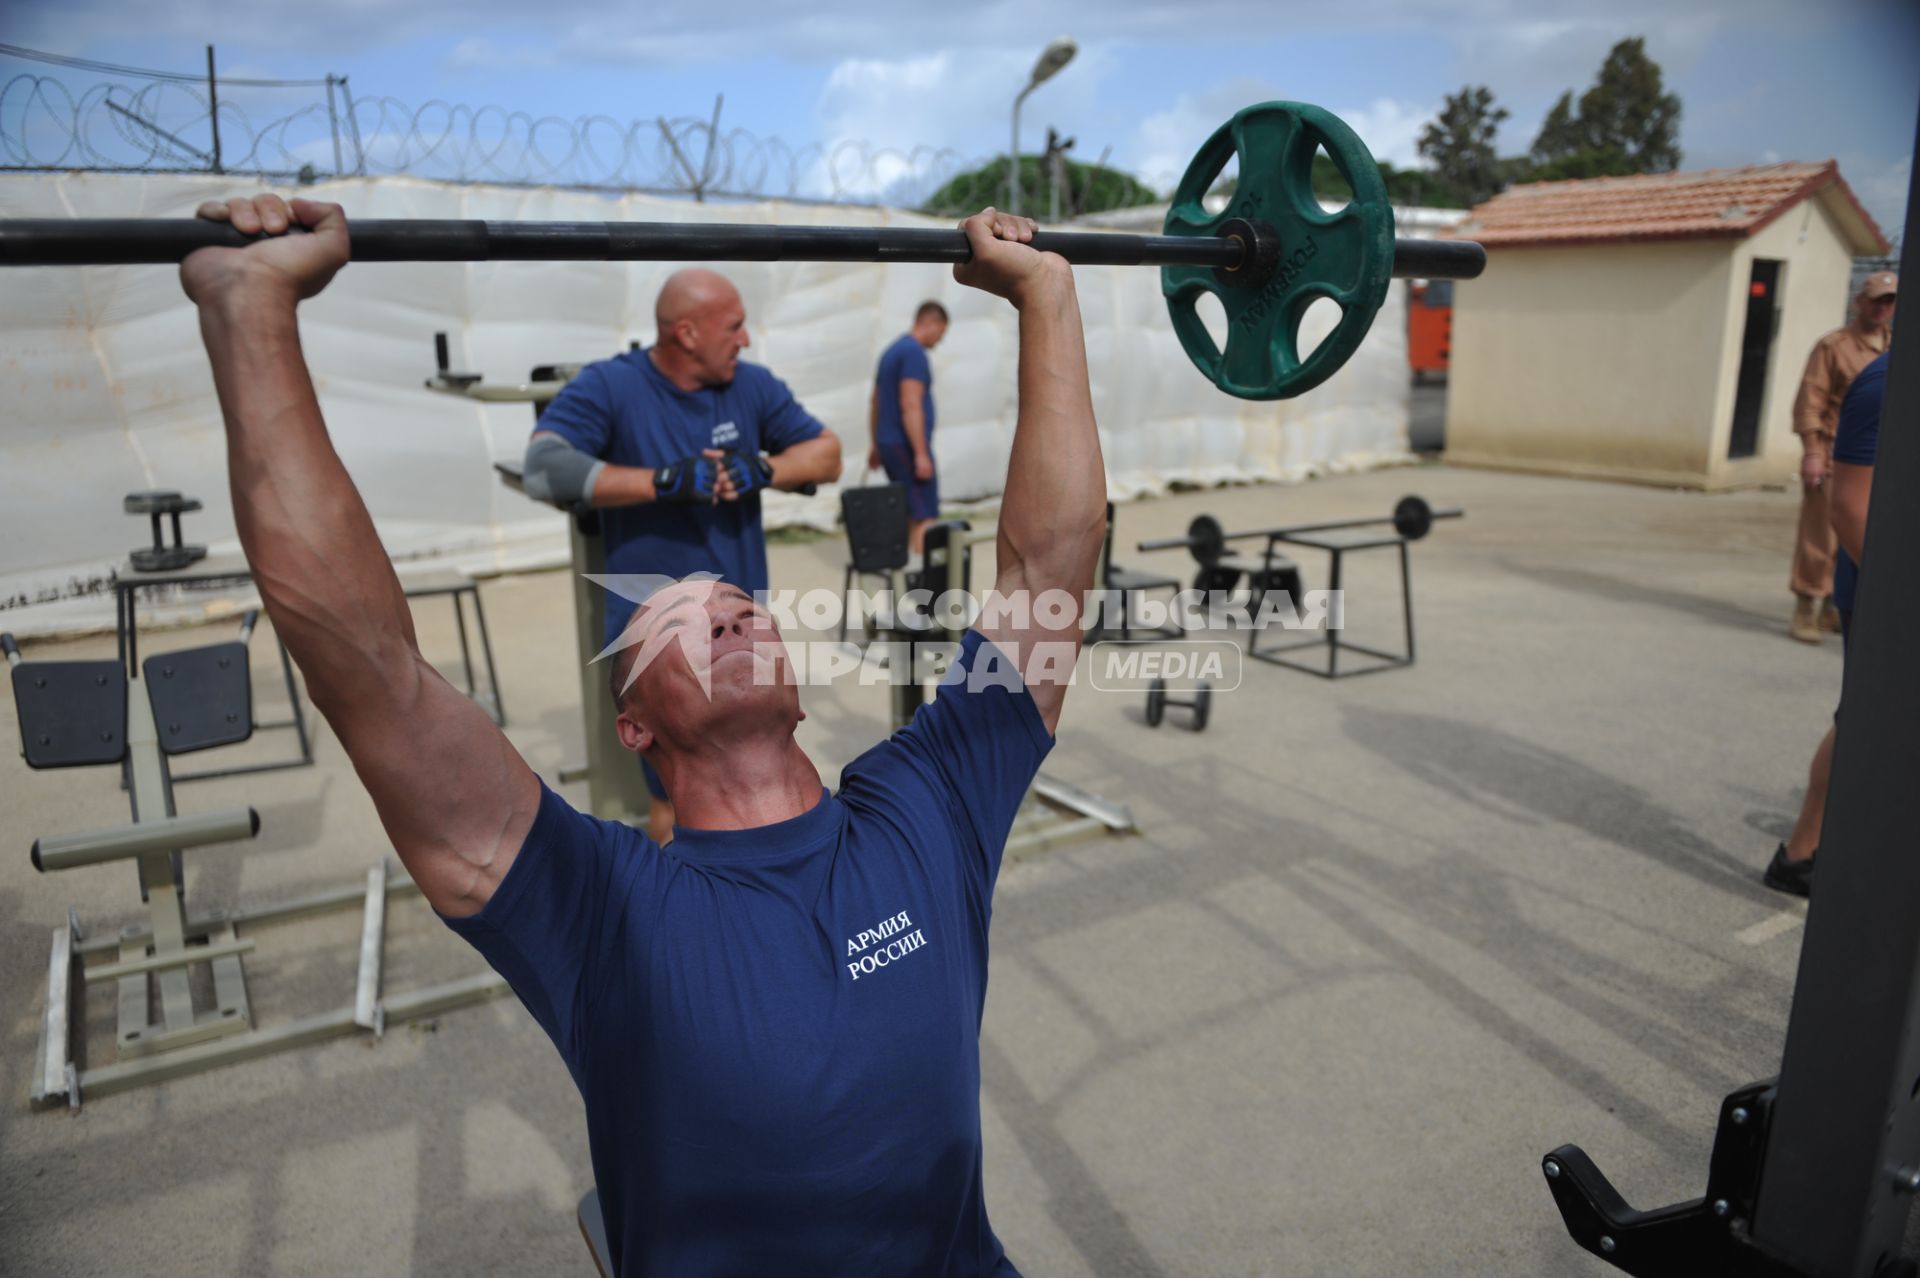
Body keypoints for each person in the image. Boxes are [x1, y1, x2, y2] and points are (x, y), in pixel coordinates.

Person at [180, 196, 1104, 1276]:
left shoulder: (926, 809)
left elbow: (1047, 572)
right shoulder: (602, 906)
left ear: (795, 687)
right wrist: (253, 316)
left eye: (742, 608)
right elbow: (371, 673)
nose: (726, 605)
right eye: (677, 616)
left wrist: (1049, 294)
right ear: (634, 725)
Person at [520, 267, 844, 842]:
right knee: (679, 802)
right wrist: (663, 481)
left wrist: (765, 469)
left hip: (742, 635)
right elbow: (544, 468)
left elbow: (826, 454)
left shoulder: (751, 386)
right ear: (688, 333)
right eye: (735, 327)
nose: (745, 340)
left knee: (764, 784)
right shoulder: (611, 386)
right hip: (661, 646)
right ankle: (675, 922)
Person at [1765, 348, 1888, 896]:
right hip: (1883, 590)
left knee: (1871, 723)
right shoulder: (1882, 382)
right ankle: (1800, 853)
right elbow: (1850, 508)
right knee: (1862, 721)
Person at [1785, 271, 1895, 642]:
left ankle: (1835, 605)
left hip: (1877, 463)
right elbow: (1810, 400)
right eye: (1877, 300)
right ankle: (1806, 605)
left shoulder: (1893, 346)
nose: (1883, 308)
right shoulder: (1834, 346)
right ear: (1859, 302)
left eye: (1890, 301)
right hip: (1835, 454)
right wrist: (1812, 453)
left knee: (1860, 539)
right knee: (1821, 535)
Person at [868, 300, 949, 554]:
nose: (939, 341)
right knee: (924, 516)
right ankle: (923, 587)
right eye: (941, 333)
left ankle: (905, 577)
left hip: (889, 442)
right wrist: (921, 453)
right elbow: (910, 403)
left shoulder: (891, 351)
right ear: (930, 322)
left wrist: (875, 443)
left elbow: (875, 402)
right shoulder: (914, 353)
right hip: (907, 446)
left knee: (907, 510)